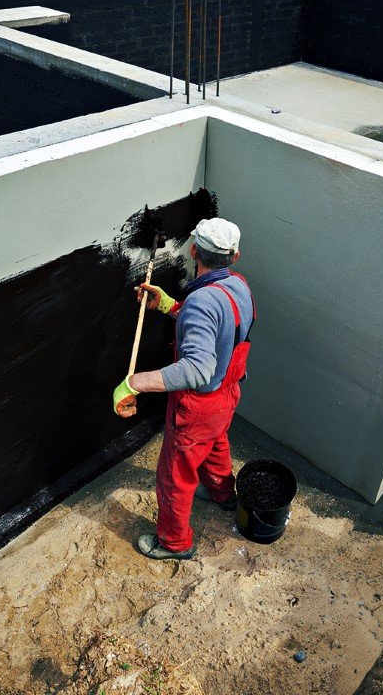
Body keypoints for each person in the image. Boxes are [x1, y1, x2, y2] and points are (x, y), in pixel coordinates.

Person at [112, 217, 255, 560]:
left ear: (193, 250)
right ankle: (223, 494)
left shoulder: (202, 302)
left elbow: (197, 370)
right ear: (234, 256)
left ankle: (174, 543)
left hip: (198, 406)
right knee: (216, 442)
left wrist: (134, 383)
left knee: (175, 477)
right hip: (227, 395)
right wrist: (170, 305)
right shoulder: (239, 286)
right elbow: (221, 331)